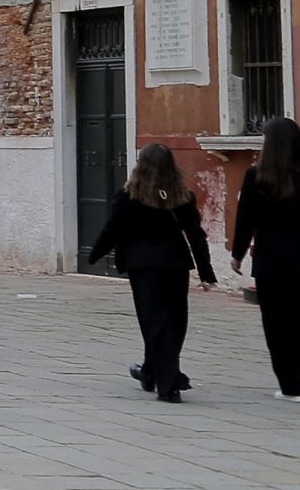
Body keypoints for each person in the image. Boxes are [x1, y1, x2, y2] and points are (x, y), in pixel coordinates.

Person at [86, 141, 216, 402]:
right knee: (175, 321)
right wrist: (206, 272)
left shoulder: (129, 196)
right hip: (175, 265)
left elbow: (113, 229)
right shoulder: (182, 197)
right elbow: (196, 236)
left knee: (156, 322)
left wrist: (94, 255)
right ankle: (154, 372)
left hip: (143, 266)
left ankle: (167, 384)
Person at [226, 114, 300, 399]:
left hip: (272, 262)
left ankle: (291, 385)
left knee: (276, 324)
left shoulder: (257, 176)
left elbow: (246, 219)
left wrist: (237, 254)